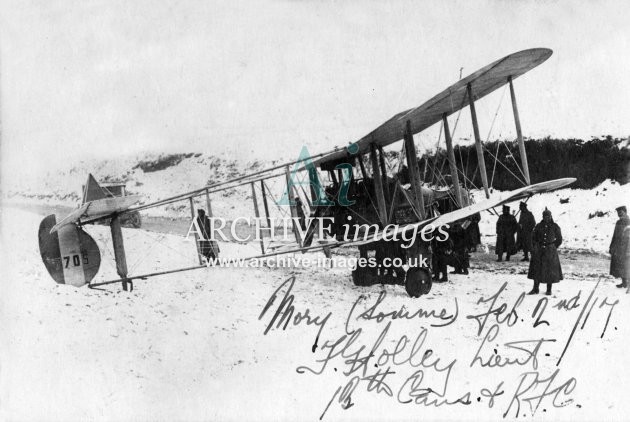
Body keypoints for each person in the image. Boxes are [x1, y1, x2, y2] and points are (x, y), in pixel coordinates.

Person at [527, 208, 563, 295]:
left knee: (549, 270)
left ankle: (549, 290)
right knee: (537, 269)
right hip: (539, 250)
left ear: (551, 217)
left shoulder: (555, 226)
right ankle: (535, 289)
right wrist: (535, 247)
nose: (546, 218)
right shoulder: (538, 226)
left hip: (550, 251)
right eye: (545, 216)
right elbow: (533, 237)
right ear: (542, 217)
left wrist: (553, 246)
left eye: (548, 216)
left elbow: (559, 239)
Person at [609, 205, 630, 288]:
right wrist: (611, 246)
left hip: (626, 248)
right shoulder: (618, 222)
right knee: (620, 266)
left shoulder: (628, 222)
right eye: (618, 213)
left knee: (626, 265)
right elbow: (614, 236)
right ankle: (624, 282)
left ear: (625, 212)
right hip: (618, 248)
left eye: (621, 212)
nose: (619, 214)